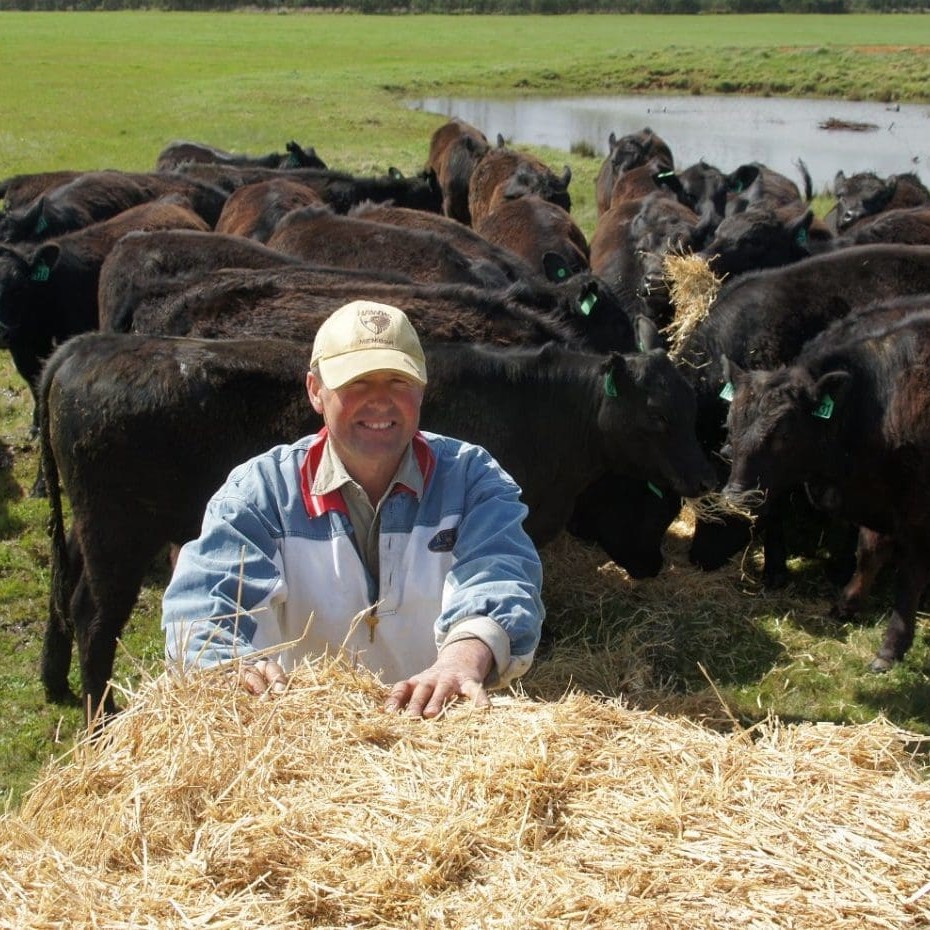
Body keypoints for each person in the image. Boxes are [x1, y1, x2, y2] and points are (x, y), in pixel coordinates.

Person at [162, 299, 544, 717]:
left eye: (398, 381)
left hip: (442, 728)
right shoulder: (262, 493)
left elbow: (501, 576)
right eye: (357, 382)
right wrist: (225, 664)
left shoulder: (471, 479)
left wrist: (461, 660)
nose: (380, 401)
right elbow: (206, 607)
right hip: (306, 737)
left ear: (422, 387)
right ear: (315, 392)